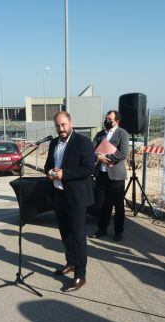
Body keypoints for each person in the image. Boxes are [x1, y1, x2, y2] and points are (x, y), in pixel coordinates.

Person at [44, 111, 95, 292]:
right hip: (59, 195)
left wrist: (63, 174)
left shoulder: (83, 142)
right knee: (65, 234)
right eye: (57, 125)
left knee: (78, 237)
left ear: (71, 123)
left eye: (63, 125)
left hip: (77, 198)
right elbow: (48, 165)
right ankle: (71, 263)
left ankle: (80, 275)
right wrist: (50, 172)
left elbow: (89, 168)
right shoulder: (53, 143)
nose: (61, 129)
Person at [89, 110, 129, 241]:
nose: (106, 121)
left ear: (117, 121)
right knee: (102, 204)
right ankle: (102, 228)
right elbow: (92, 150)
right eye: (106, 119)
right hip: (102, 174)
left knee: (118, 205)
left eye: (109, 119)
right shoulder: (101, 134)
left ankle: (118, 230)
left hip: (116, 176)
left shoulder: (122, 133)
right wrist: (98, 156)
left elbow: (123, 153)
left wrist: (108, 157)